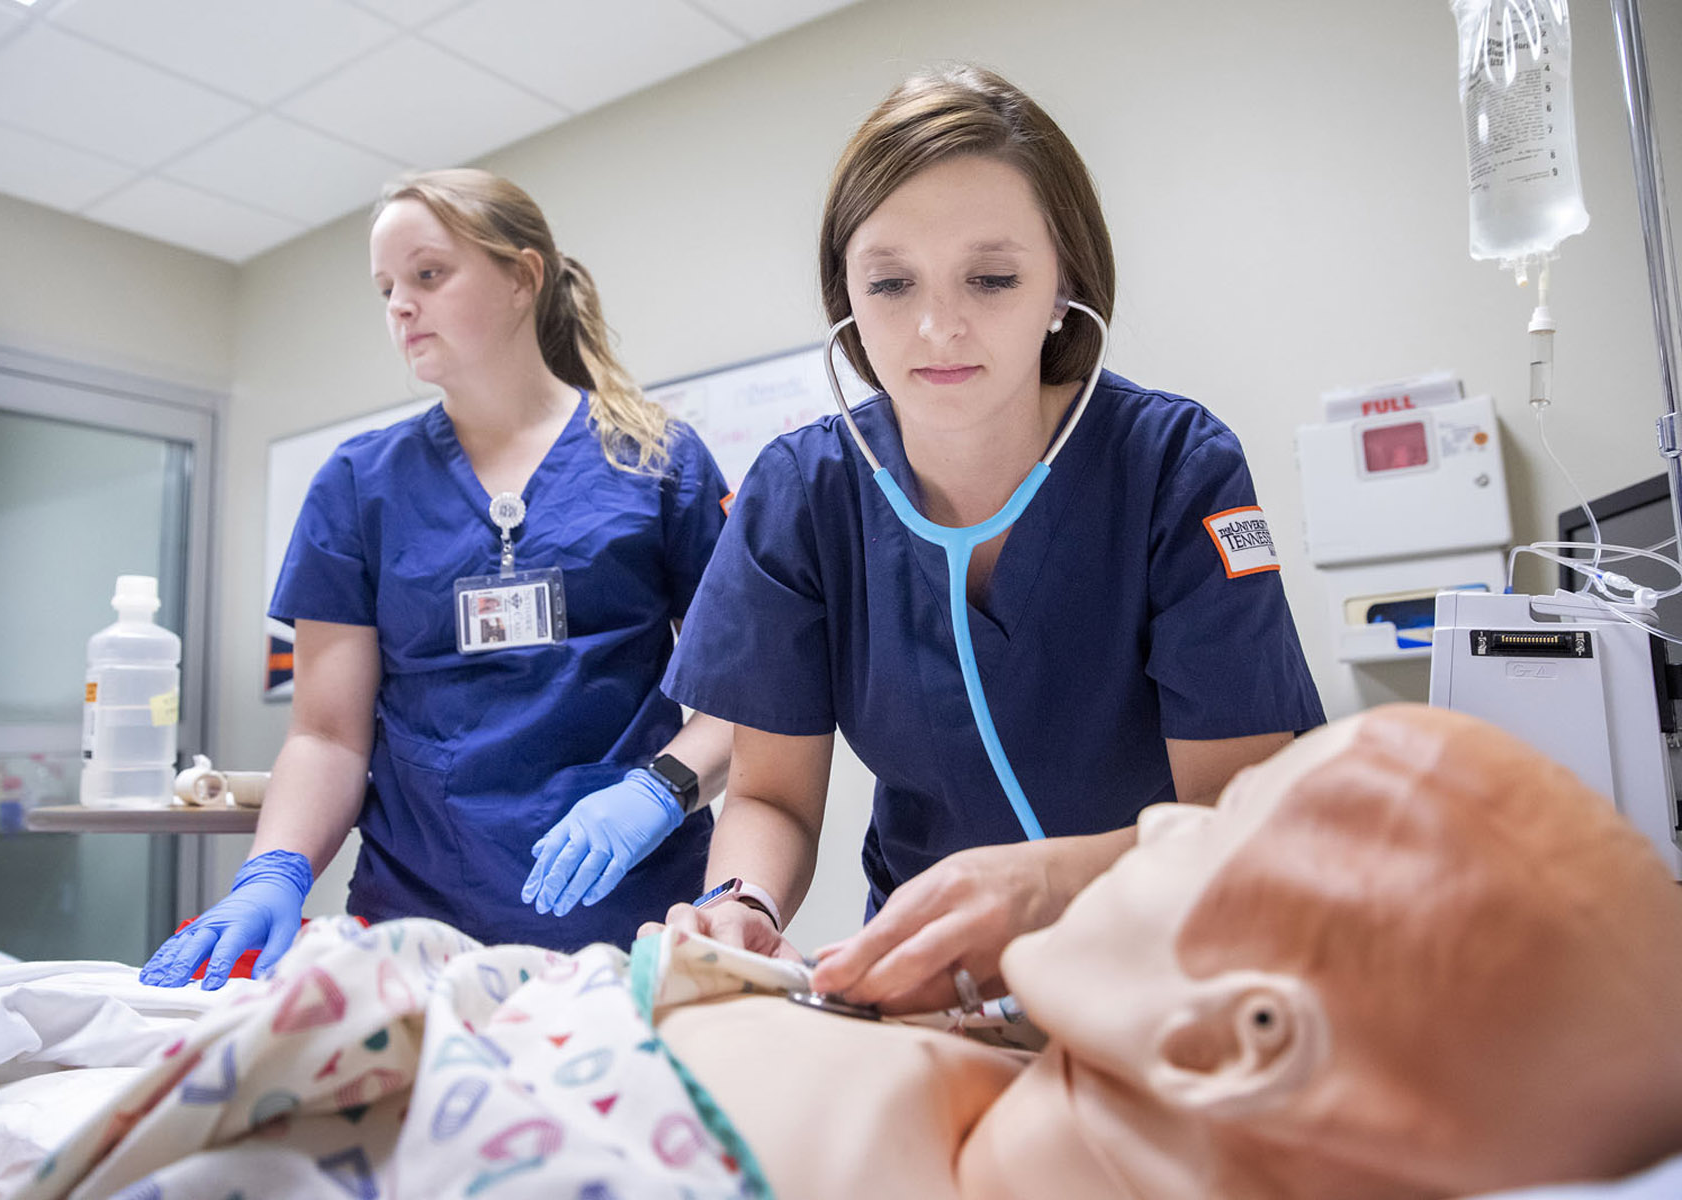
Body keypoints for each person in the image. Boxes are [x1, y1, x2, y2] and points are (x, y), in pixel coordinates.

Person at [654, 65, 1324, 1010]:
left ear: (1064, 287)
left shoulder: (1175, 466)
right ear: (845, 295)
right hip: (938, 977)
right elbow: (771, 797)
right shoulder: (803, 494)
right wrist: (741, 898)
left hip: (1180, 956)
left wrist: (1038, 883)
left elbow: (1237, 817)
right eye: (890, 282)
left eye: (993, 277)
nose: (937, 327)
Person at [659, 704, 1682, 1199]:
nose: (1155, 826)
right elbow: (771, 785)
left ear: (1234, 1041)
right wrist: (739, 902)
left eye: (1222, 828)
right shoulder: (1066, 1068)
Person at [140, 169, 733, 990]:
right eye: (387, 288)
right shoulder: (358, 484)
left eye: (427, 275)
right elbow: (325, 734)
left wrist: (660, 789)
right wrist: (274, 871)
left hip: (630, 912)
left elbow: (749, 696)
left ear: (523, 277)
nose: (399, 307)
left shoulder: (658, 460)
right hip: (413, 921)